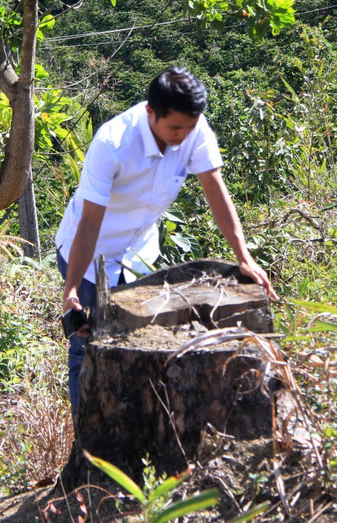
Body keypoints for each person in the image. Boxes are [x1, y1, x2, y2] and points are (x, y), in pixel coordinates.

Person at [55, 67, 278, 412]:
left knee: (138, 341)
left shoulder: (193, 129)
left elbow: (215, 191)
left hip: (138, 254)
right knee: (88, 347)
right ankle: (85, 434)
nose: (183, 136)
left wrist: (244, 256)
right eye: (175, 128)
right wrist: (71, 290)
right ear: (150, 113)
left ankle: (135, 422)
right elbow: (89, 223)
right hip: (88, 257)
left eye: (190, 127)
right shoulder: (113, 143)